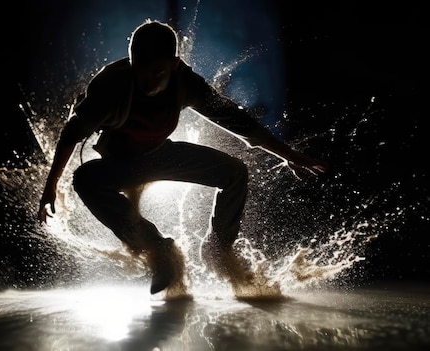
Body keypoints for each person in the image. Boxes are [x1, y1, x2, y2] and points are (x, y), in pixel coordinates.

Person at [37, 19, 328, 296]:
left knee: (235, 172)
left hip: (161, 154)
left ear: (174, 65)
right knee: (85, 179)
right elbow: (69, 136)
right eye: (141, 70)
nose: (148, 82)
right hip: (120, 164)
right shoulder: (111, 88)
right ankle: (159, 249)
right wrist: (51, 187)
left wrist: (288, 155)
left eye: (158, 73)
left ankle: (219, 247)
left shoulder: (185, 83)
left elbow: (235, 120)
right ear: (131, 61)